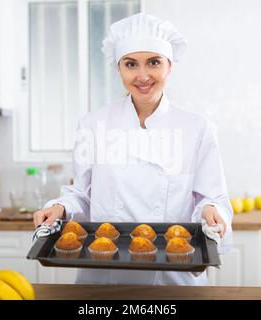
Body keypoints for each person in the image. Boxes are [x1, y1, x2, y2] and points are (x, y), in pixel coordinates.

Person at [33, 13, 233, 285]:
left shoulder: (197, 128)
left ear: (170, 65)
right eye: (130, 64)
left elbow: (212, 199)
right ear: (119, 69)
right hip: (103, 277)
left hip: (171, 276)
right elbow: (81, 195)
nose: (142, 76)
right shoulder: (93, 125)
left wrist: (212, 212)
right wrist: (60, 208)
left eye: (153, 62)